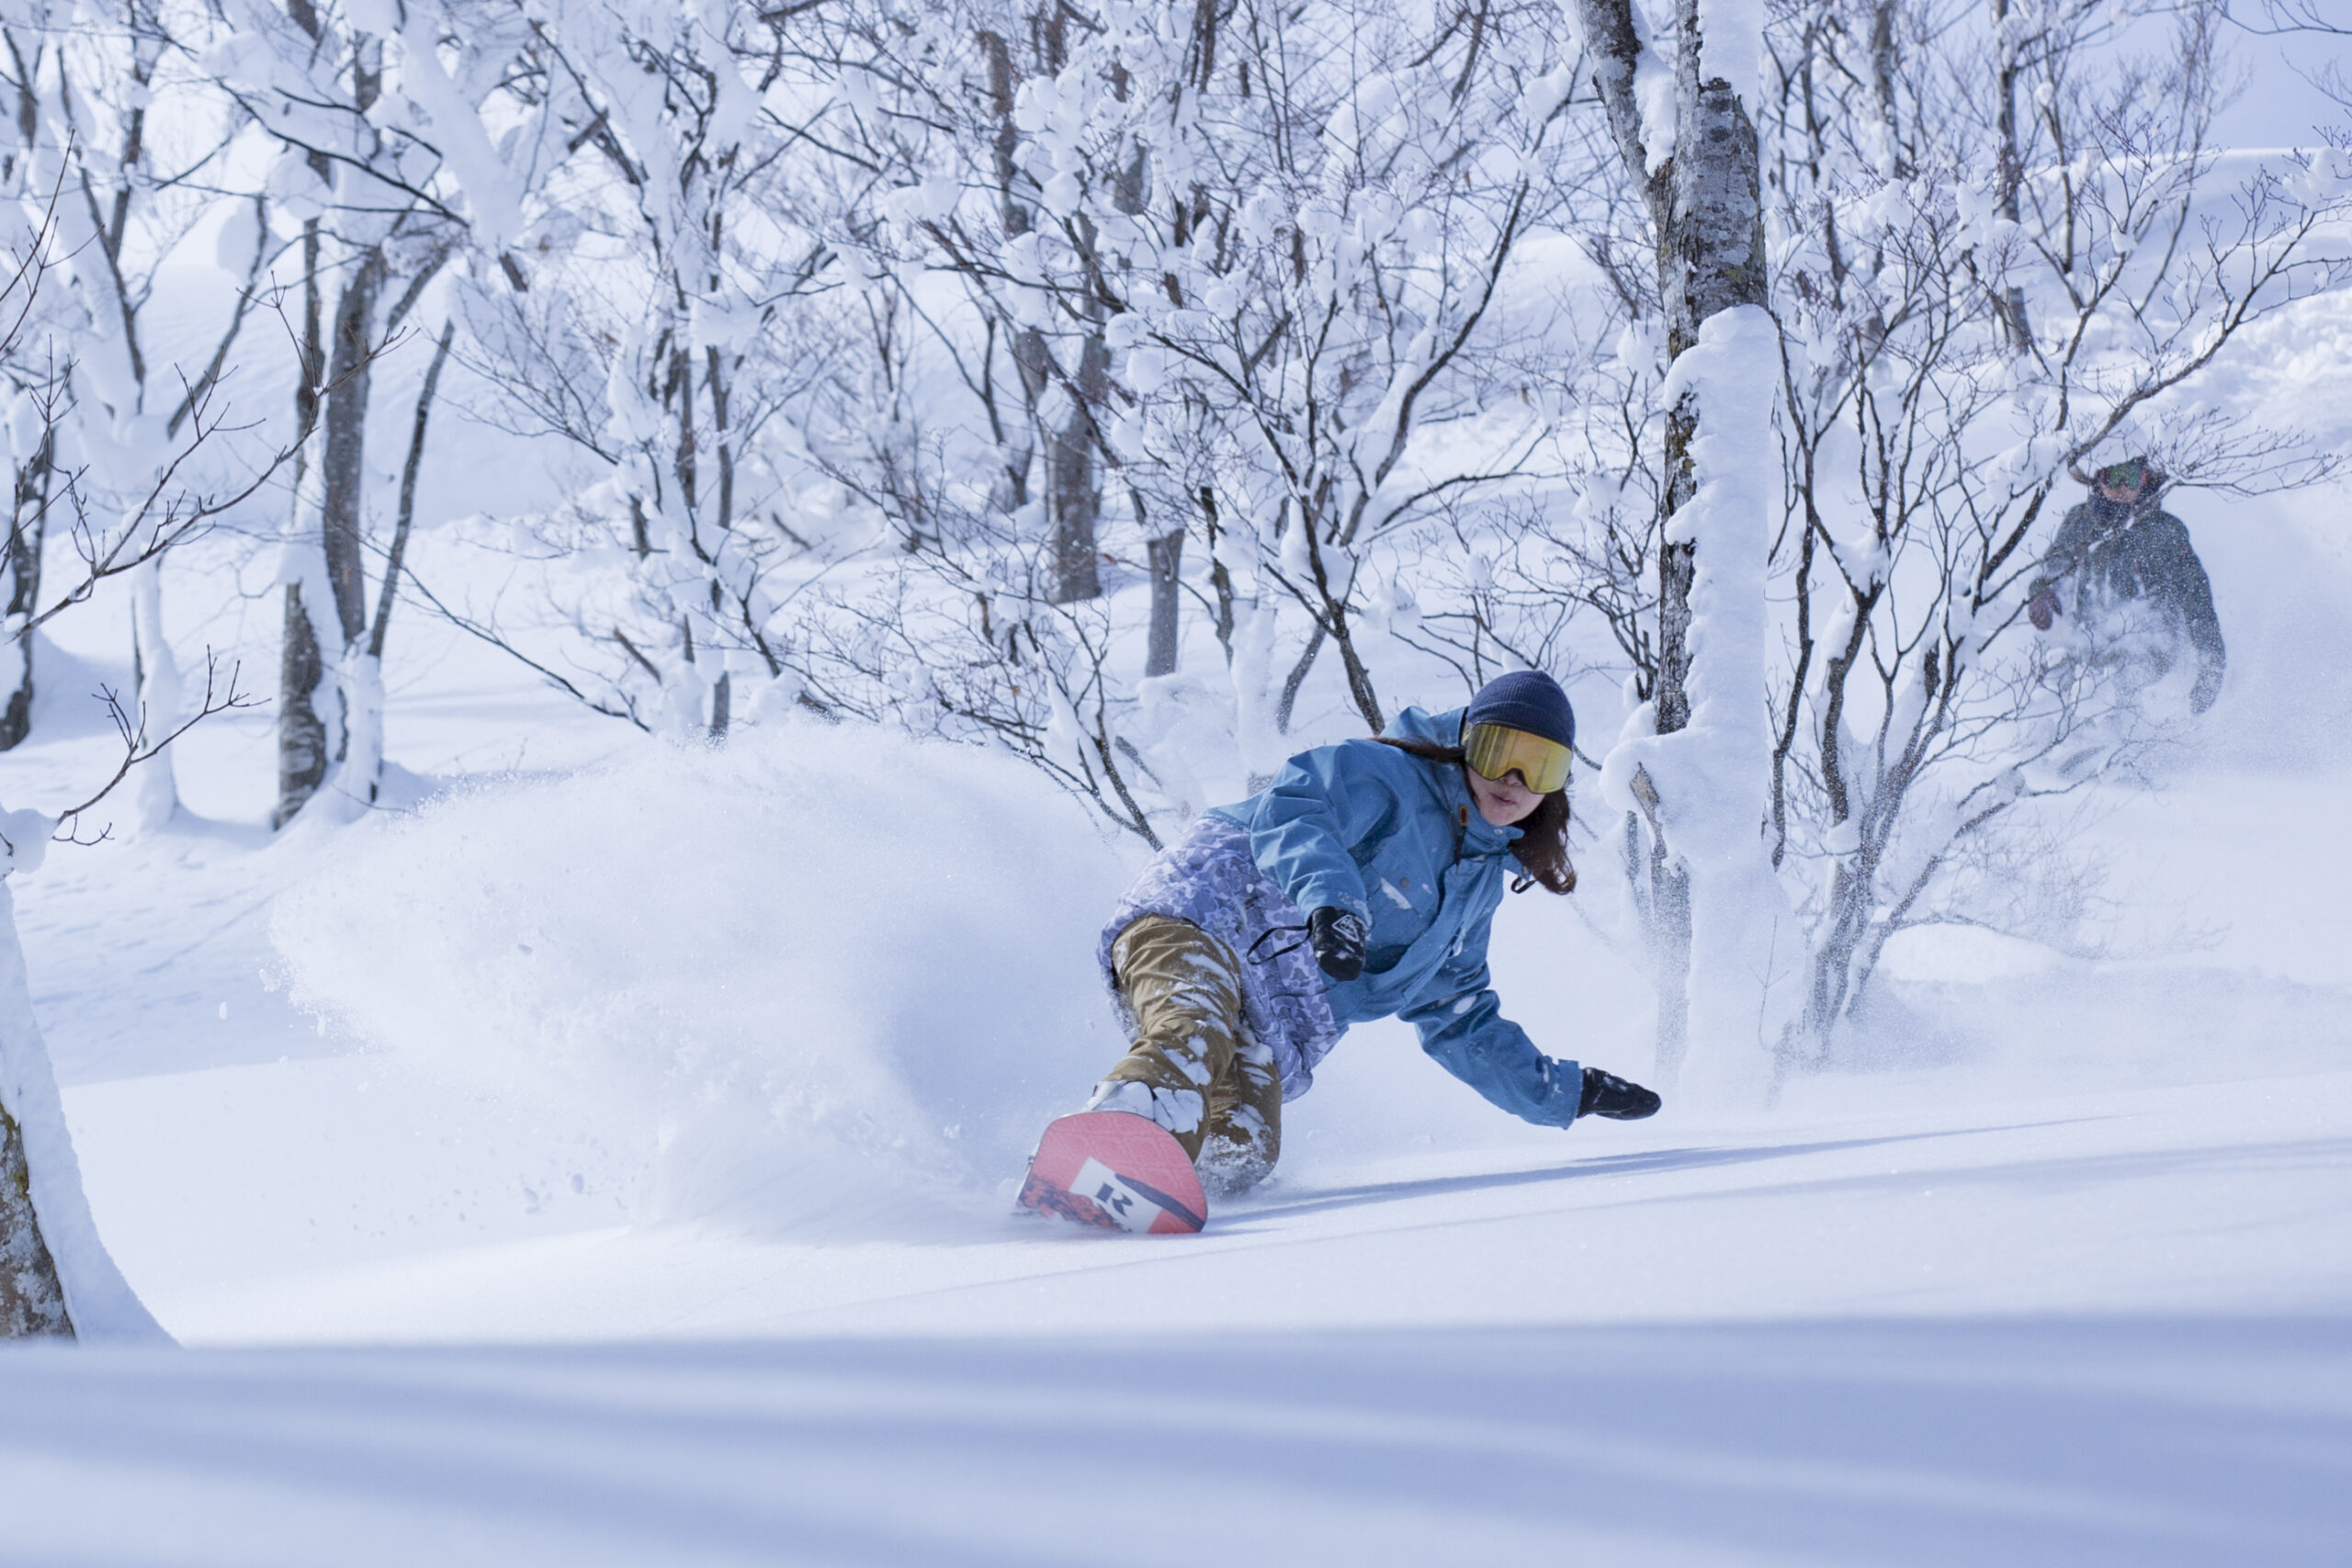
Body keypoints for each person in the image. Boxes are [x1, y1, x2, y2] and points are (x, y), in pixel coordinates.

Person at [1080, 670, 1660, 1197]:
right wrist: (1333, 904)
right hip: (1203, 919)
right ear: (1466, 741)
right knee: (1192, 1032)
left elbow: (1458, 1015)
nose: (1514, 779)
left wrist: (1562, 1092)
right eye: (1499, 752)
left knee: (1245, 1147)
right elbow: (1295, 809)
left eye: (1540, 767)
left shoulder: (1473, 893)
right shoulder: (1388, 775)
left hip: (1266, 1022)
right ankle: (1108, 1144)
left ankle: (1142, 1190)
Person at [2026, 457, 2226, 714]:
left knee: (2118, 698)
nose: (2121, 487)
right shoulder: (2082, 520)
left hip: (2149, 647)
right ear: (2099, 479)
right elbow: (2054, 564)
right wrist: (2041, 591)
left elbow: (2196, 598)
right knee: (2052, 692)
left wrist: (2211, 664)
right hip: (2091, 643)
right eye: (2113, 477)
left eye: (2130, 477)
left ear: (2145, 478)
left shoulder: (2164, 530)